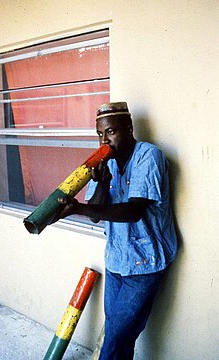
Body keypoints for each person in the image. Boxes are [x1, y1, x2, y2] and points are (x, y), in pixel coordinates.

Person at [58, 102, 177, 360]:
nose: (105, 140)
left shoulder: (149, 155)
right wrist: (102, 182)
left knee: (115, 337)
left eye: (110, 132)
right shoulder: (107, 162)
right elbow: (96, 215)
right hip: (116, 259)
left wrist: (78, 208)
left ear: (130, 128)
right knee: (119, 335)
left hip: (146, 262)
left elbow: (134, 211)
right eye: (100, 134)